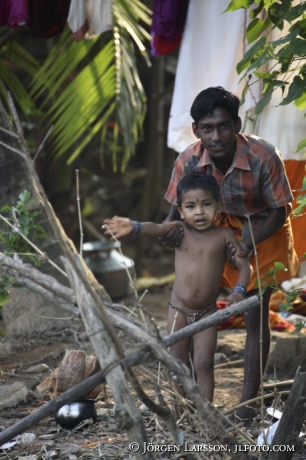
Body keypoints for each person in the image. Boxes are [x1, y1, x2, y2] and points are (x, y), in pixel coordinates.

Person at [164, 86, 299, 425]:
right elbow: (172, 215)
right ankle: (191, 405)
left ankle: (249, 403)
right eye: (207, 128)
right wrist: (167, 235)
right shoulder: (188, 160)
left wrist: (247, 244)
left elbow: (279, 212)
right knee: (198, 306)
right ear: (196, 130)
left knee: (254, 313)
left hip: (263, 230)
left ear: (237, 124)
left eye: (224, 126)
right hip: (213, 234)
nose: (217, 136)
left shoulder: (263, 155)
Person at [103, 172, 252, 408]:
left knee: (203, 363)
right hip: (178, 312)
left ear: (218, 206)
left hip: (207, 313)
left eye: (206, 204)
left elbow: (245, 266)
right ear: (181, 211)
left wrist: (239, 290)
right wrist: (133, 226)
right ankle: (181, 411)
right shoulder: (180, 231)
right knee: (178, 363)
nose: (199, 212)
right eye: (191, 206)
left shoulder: (224, 235)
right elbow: (157, 228)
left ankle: (205, 415)